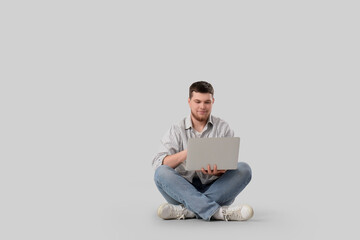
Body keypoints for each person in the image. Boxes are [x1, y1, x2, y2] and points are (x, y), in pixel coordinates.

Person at [152, 81, 253, 221]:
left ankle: (188, 211)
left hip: (216, 189)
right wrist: (189, 152)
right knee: (161, 173)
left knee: (244, 169)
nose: (202, 106)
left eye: (207, 102)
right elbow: (159, 163)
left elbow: (230, 163)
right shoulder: (176, 129)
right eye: (197, 101)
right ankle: (218, 212)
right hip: (182, 190)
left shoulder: (223, 127)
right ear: (189, 102)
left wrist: (219, 171)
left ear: (213, 102)